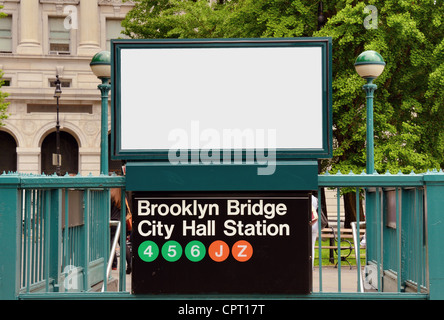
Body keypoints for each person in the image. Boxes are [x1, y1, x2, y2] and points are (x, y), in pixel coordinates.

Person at [110, 187, 132, 274]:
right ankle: (130, 263)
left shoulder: (110, 195)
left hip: (112, 223)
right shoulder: (123, 195)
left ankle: (114, 264)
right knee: (123, 243)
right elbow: (127, 210)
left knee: (110, 242)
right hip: (122, 223)